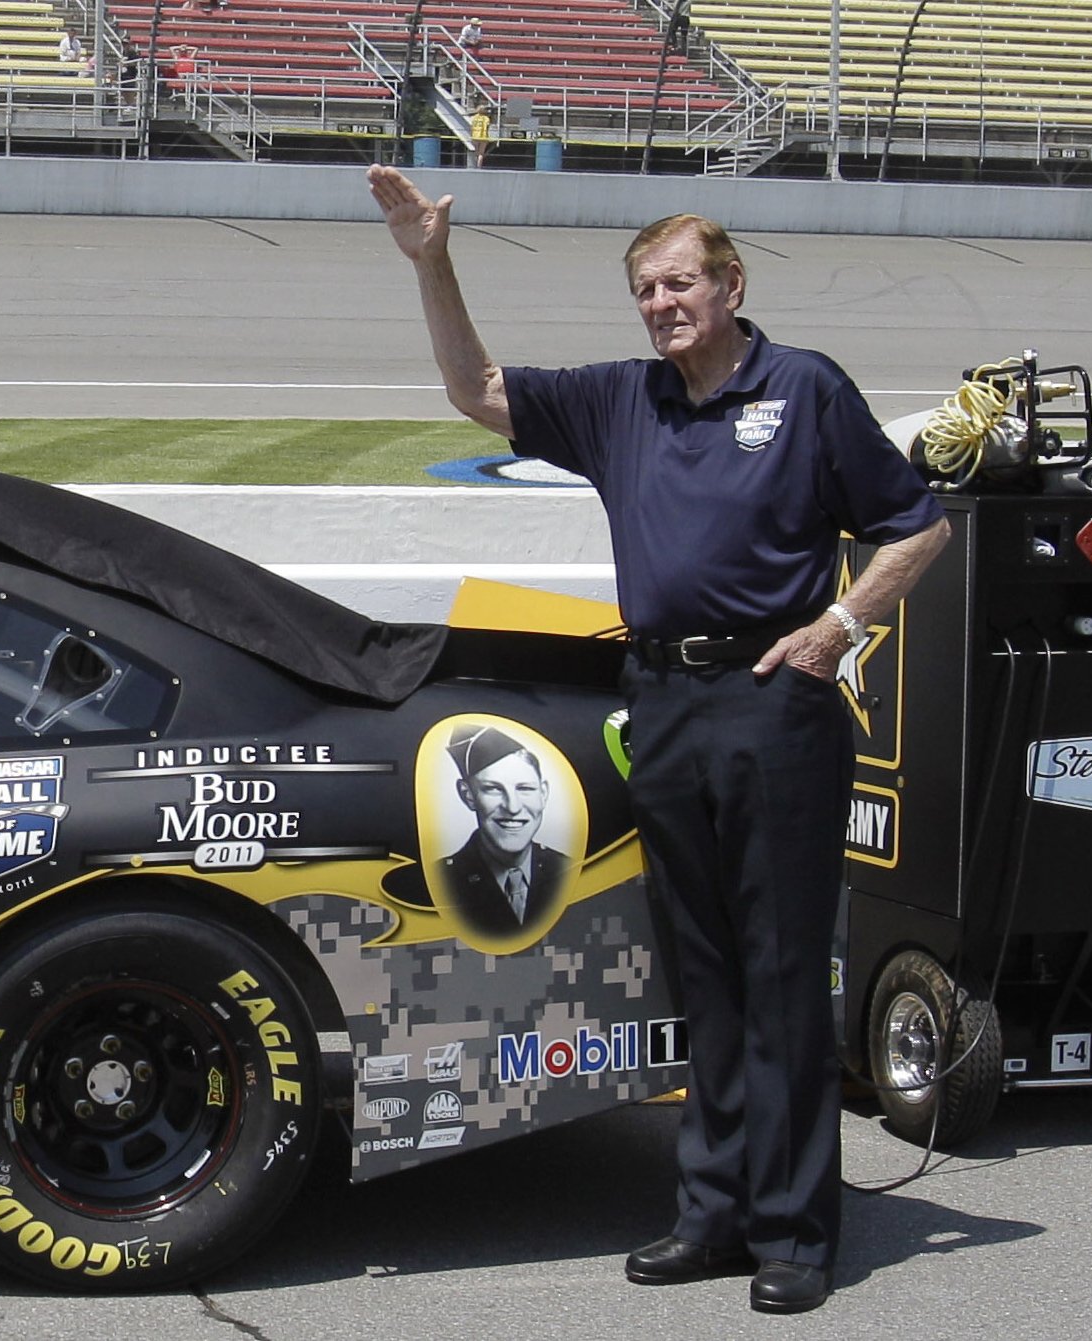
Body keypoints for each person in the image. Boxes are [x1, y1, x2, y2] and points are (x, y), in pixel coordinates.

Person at [367, 165, 950, 1316]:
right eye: (644, 289)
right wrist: (430, 260)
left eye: (678, 283)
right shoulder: (623, 400)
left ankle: (794, 1233)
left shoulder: (805, 389)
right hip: (666, 707)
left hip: (774, 705)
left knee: (782, 977)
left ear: (729, 284)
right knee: (706, 977)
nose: (660, 304)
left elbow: (916, 527)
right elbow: (473, 388)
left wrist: (839, 625)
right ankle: (713, 1213)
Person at [439, 723, 570, 938]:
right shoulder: (440, 881)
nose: (513, 807)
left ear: (543, 793)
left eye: (525, 789)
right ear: (468, 795)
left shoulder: (570, 869)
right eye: (493, 789)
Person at [468, 103, 492, 168]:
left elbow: (471, 126)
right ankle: (479, 166)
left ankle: (475, 165)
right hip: (483, 136)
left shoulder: (473, 118)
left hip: (475, 135)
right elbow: (487, 127)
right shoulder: (486, 118)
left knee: (476, 152)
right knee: (481, 153)